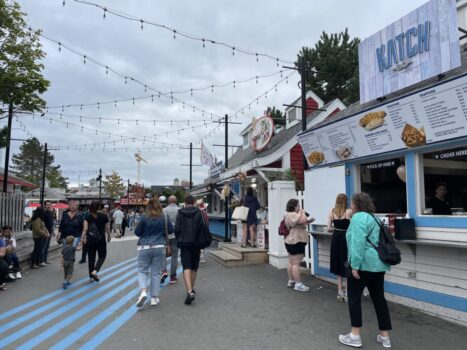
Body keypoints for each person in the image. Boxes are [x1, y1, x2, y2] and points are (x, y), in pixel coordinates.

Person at [339, 192, 392, 349]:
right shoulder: (373, 217)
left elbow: (357, 242)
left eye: (352, 203)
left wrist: (355, 265)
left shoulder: (358, 218)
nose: (350, 205)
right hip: (378, 264)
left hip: (363, 265)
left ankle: (355, 335)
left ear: (356, 204)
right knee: (379, 299)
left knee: (354, 299)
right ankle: (385, 336)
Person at [134, 198, 172, 307]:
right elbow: (170, 230)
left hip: (144, 247)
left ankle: (143, 292)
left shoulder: (144, 217)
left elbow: (137, 232)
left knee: (142, 270)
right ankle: (154, 298)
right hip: (159, 246)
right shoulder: (164, 216)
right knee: (155, 273)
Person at [174, 195, 207, 305]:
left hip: (184, 243)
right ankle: (191, 289)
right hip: (196, 243)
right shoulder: (199, 212)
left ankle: (189, 291)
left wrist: (179, 239)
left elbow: (177, 229)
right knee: (194, 266)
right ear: (193, 202)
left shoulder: (180, 213)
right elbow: (202, 226)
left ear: (185, 202)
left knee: (186, 266)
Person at [284, 199, 314, 292]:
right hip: (297, 240)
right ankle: (298, 284)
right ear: (294, 206)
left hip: (290, 240)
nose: (299, 207)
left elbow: (300, 223)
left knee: (291, 262)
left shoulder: (289, 215)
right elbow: (303, 219)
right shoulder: (292, 214)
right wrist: (303, 212)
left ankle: (291, 280)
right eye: (298, 206)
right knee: (296, 263)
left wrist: (308, 221)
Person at [327, 194, 353, 302]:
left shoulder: (331, 211)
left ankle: (339, 292)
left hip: (336, 239)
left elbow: (328, 228)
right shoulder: (349, 212)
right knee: (346, 263)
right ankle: (347, 293)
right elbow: (353, 226)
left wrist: (335, 229)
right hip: (346, 240)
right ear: (346, 201)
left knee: (337, 263)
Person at [81, 201, 110, 282]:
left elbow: (85, 229)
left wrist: (82, 238)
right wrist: (109, 236)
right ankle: (95, 271)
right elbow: (107, 227)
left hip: (90, 240)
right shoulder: (104, 216)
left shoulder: (87, 216)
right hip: (101, 239)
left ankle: (91, 277)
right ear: (100, 207)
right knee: (102, 256)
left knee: (91, 258)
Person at [162, 195, 180, 284]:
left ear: (168, 201)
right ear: (176, 201)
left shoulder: (163, 210)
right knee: (174, 255)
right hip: (175, 235)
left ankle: (164, 271)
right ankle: (173, 276)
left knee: (163, 255)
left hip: (165, 235)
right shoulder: (179, 210)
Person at [195, 199, 209, 263]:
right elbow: (206, 222)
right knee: (202, 243)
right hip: (203, 229)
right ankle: (200, 256)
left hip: (196, 230)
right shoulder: (204, 213)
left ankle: (198, 256)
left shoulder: (195, 212)